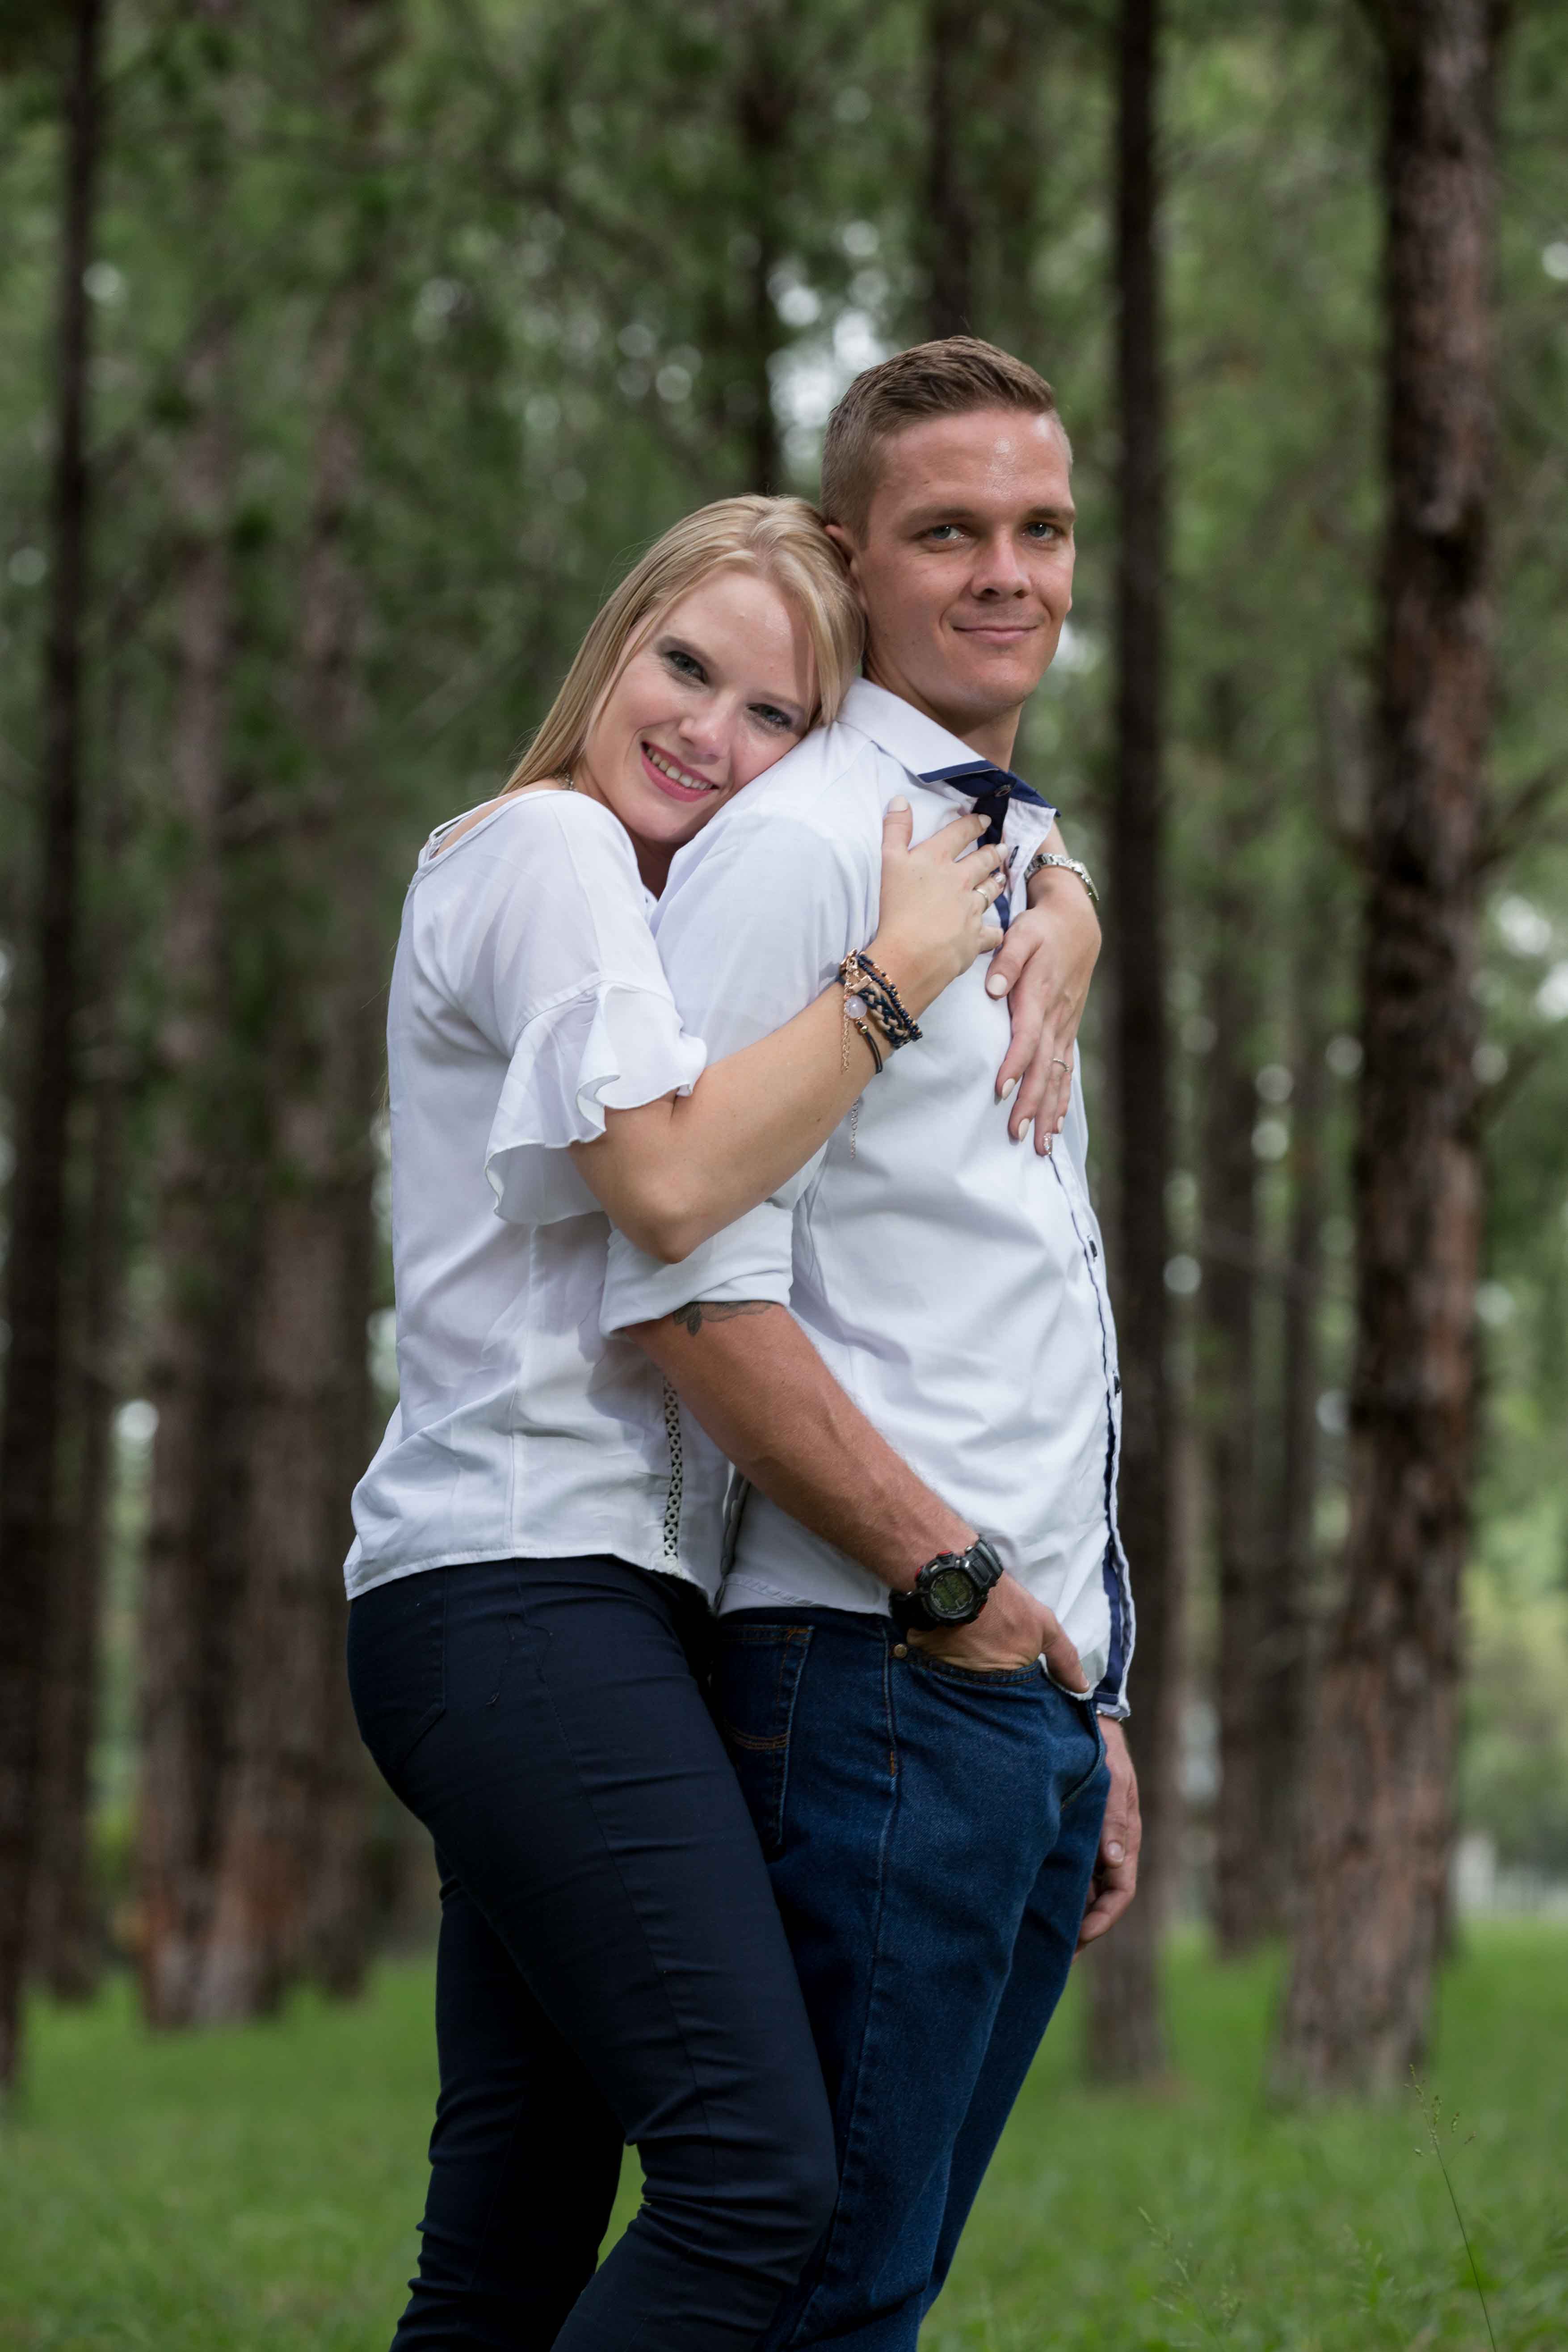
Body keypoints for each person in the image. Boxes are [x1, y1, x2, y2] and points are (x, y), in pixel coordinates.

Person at [343, 493, 1075, 2352]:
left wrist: (1058, 884)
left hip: (580, 1605)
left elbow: (943, 805)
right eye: (684, 667)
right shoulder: (551, 849)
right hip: (522, 1583)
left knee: (506, 2245)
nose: (708, 736)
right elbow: (670, 1194)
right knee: (753, 2181)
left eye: (773, 718)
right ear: (615, 642)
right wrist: (899, 975)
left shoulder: (659, 900)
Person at [601, 341, 1139, 2352]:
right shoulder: (806, 843)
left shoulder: (999, 845)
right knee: (808, 2297)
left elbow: (999, 1302)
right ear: (850, 557)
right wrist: (954, 1589)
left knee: (870, 2294)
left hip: (1012, 1693)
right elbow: (686, 1284)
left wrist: (1088, 1698)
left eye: (1040, 527)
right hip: (879, 1669)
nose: (1007, 572)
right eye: (948, 531)